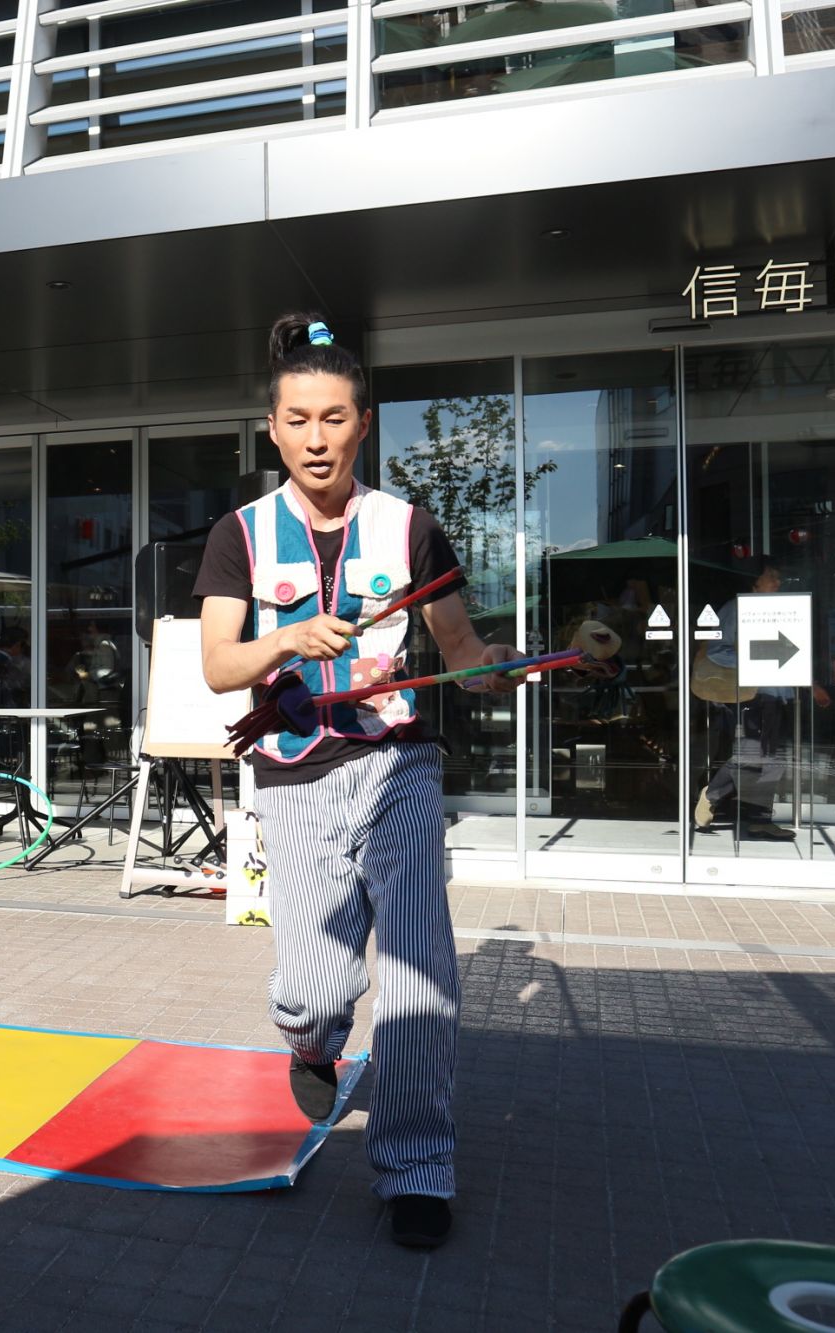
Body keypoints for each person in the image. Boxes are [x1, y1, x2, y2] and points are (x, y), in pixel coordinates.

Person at [194, 314, 526, 1250]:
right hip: (293, 772)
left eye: (334, 418)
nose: (316, 438)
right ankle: (311, 1042)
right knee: (311, 984)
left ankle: (417, 1166)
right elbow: (219, 666)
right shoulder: (239, 535)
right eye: (298, 419)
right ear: (272, 427)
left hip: (398, 762)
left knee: (419, 971)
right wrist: (287, 638)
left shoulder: (410, 527)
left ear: (363, 424)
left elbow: (458, 650)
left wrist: (498, 668)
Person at [693, 556, 831, 841]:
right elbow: (718, 650)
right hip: (751, 695)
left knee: (772, 760)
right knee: (752, 755)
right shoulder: (735, 609)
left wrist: (810, 685)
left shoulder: (775, 611)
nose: (778, 582)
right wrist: (754, 663)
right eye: (772, 576)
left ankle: (759, 819)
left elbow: (790, 653)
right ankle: (712, 795)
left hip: (777, 695)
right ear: (754, 582)